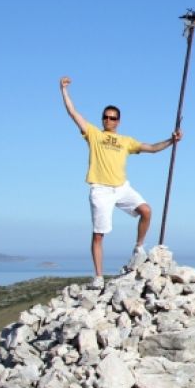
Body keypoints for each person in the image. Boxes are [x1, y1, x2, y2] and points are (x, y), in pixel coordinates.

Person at [59, 76, 182, 285]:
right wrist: (64, 91)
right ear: (102, 119)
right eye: (106, 117)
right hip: (101, 189)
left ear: (119, 121)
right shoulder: (94, 135)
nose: (109, 120)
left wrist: (172, 140)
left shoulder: (126, 141)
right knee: (99, 234)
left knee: (146, 210)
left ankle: (138, 247)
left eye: (113, 118)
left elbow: (151, 148)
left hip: (121, 187)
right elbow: (73, 113)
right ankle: (98, 276)